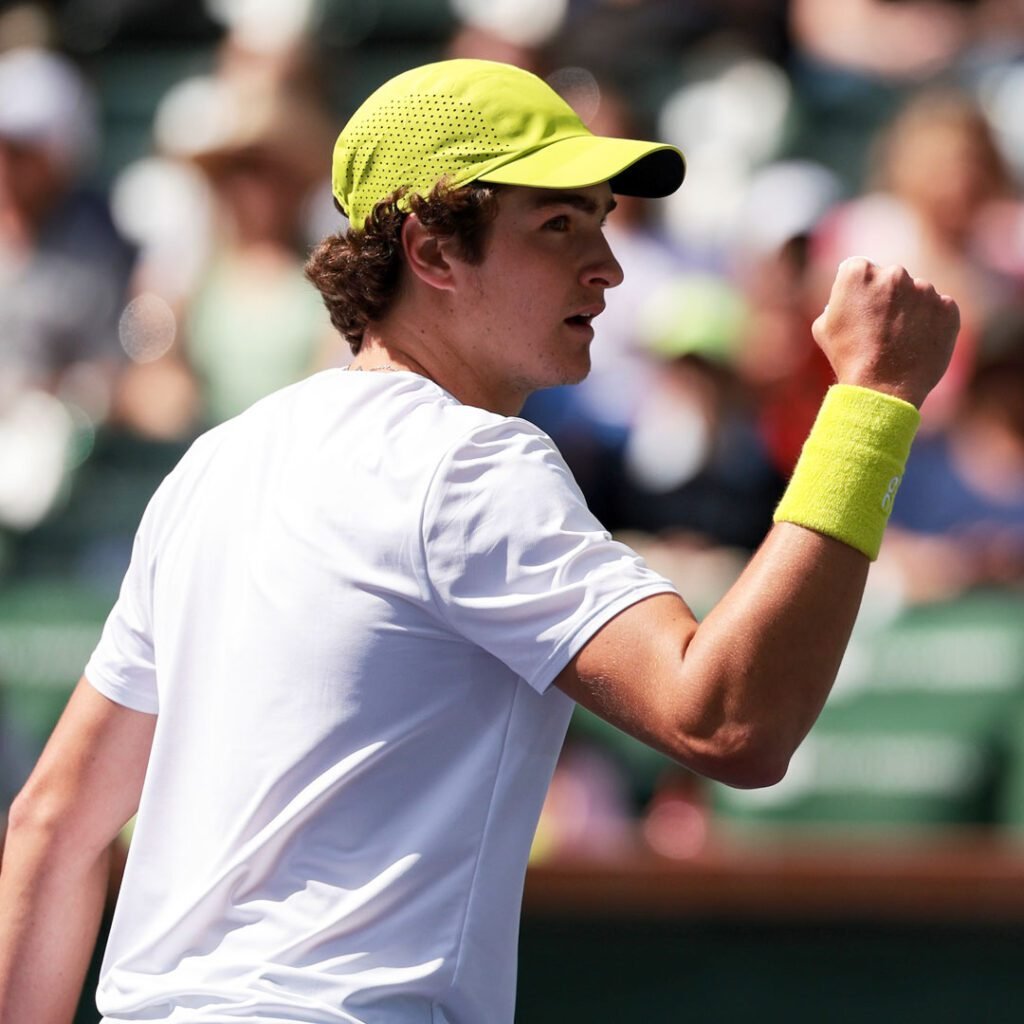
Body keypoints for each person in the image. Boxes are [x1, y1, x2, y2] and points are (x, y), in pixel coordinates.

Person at [0, 58, 959, 1024]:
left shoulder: (217, 464)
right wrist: (871, 406)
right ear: (433, 253)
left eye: (600, 220)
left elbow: (52, 822)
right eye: (556, 224)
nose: (607, 265)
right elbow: (728, 720)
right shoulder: (471, 462)